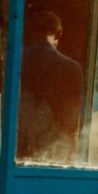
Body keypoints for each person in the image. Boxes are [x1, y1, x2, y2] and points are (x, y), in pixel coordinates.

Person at [17, 9, 83, 162]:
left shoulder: (15, 60)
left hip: (17, 146)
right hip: (53, 151)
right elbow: (72, 121)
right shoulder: (72, 68)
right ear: (58, 35)